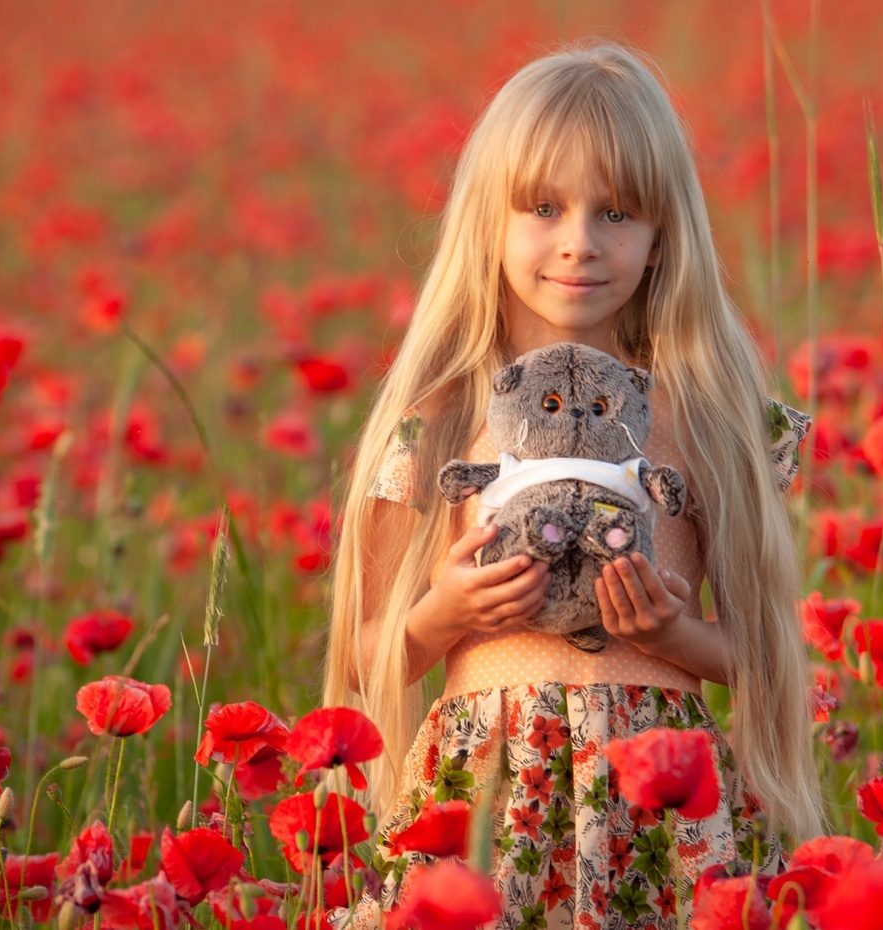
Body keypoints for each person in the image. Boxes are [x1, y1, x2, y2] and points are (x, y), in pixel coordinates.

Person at [324, 41, 824, 928]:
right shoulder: (438, 415)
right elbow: (366, 651)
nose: (580, 243)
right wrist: (448, 612)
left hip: (661, 808)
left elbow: (760, 655)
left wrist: (671, 633)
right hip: (482, 803)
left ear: (664, 233)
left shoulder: (706, 413)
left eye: (617, 213)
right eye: (545, 207)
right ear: (489, 219)